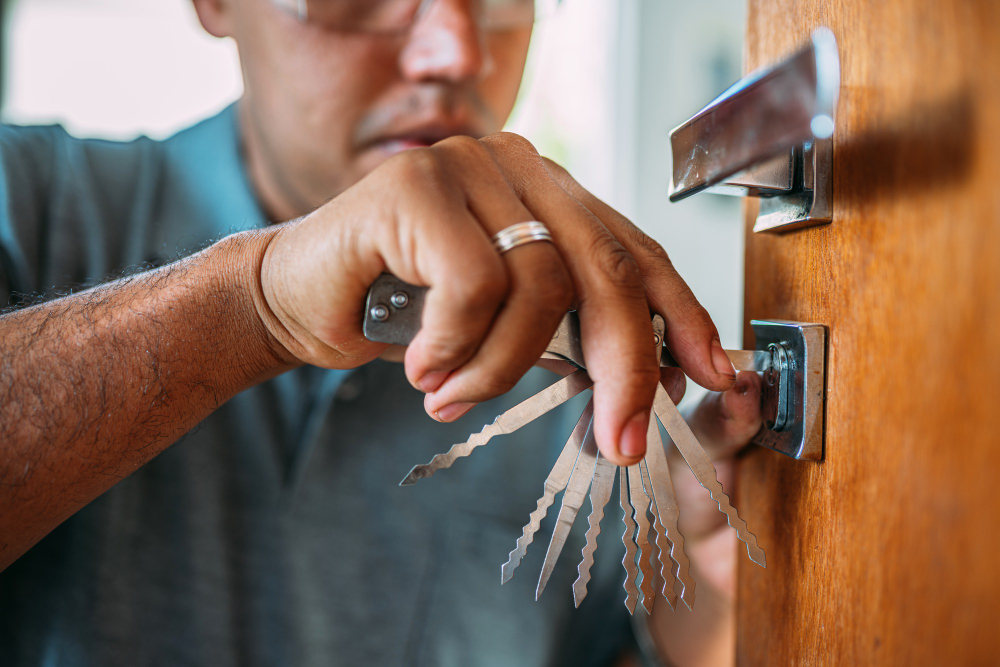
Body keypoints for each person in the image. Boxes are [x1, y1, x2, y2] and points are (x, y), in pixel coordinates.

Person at [0, 0, 762, 665]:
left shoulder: (580, 363)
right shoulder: (29, 203)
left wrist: (699, 595)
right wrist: (255, 304)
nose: (458, 51)